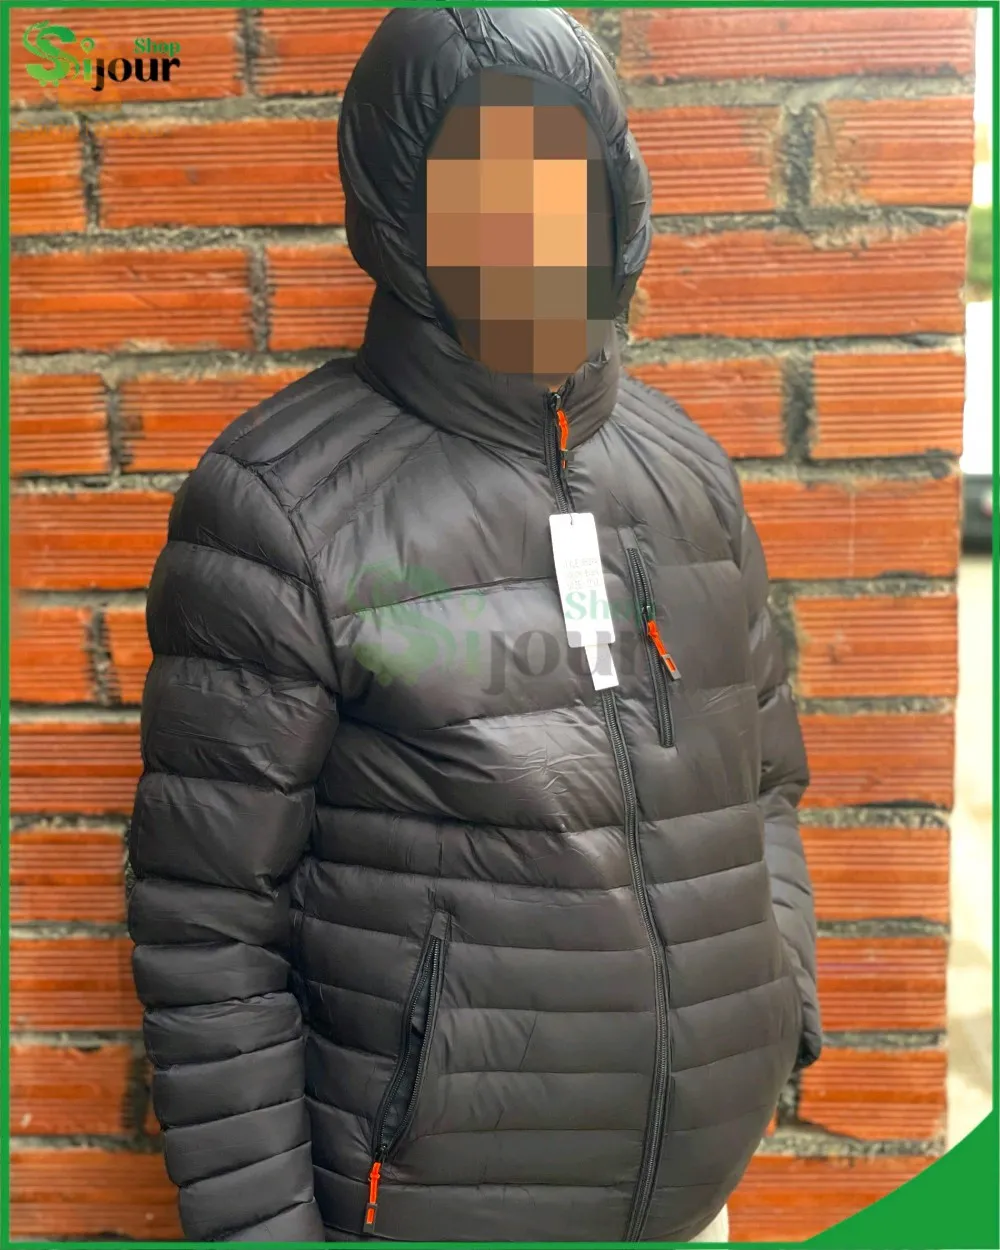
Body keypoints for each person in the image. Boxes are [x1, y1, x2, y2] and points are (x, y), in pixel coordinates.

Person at [127, 7, 822, 1244]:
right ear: (400, 213)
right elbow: (208, 920)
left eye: (565, 176)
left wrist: (779, 1007)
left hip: (694, 1200)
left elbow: (765, 782)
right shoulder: (280, 503)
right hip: (433, 1208)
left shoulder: (688, 473)